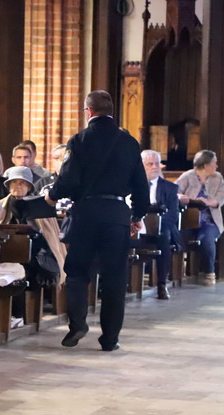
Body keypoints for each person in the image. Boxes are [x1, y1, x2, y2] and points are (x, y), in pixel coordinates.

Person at [46, 90, 149, 351]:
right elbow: (141, 184)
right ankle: (110, 339)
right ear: (111, 111)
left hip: (86, 214)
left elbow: (68, 179)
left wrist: (52, 195)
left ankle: (78, 324)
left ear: (88, 111)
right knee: (115, 278)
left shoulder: (79, 140)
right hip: (116, 215)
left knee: (77, 272)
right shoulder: (129, 142)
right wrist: (137, 215)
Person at [175, 149, 224, 286]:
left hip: (210, 221)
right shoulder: (188, 176)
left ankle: (209, 273)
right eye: (214, 163)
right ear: (206, 165)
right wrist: (181, 197)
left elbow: (221, 197)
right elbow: (174, 191)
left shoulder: (218, 178)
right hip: (188, 221)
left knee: (207, 239)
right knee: (176, 236)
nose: (216, 166)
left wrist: (208, 202)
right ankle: (175, 273)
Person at [141, 149, 183, 299]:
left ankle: (161, 284)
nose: (154, 167)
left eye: (157, 164)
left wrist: (155, 223)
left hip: (161, 227)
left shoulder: (170, 188)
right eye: (150, 164)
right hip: (137, 225)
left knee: (164, 238)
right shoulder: (132, 185)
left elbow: (173, 214)